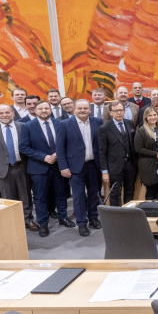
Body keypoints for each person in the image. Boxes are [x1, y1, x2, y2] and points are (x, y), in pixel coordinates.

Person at [0, 104, 37, 231]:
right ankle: (13, 223)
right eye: (1, 113)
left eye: (7, 112)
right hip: (2, 170)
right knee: (8, 198)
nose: (4, 115)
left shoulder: (23, 127)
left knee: (25, 196)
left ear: (13, 113)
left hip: (22, 167)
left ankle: (28, 220)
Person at [19, 100, 73, 237]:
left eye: (46, 108)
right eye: (41, 109)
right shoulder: (27, 126)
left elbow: (66, 142)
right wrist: (44, 157)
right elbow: (23, 147)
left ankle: (63, 217)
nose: (44, 111)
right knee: (40, 197)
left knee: (61, 194)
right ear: (35, 111)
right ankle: (43, 223)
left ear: (50, 110)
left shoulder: (59, 124)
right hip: (39, 167)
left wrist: (58, 154)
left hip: (59, 166)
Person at [56, 99, 103, 237]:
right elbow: (60, 148)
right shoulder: (64, 124)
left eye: (85, 108)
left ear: (90, 109)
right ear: (74, 110)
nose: (82, 110)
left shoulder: (97, 122)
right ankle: (82, 223)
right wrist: (63, 167)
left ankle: (93, 218)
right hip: (74, 167)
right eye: (80, 108)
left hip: (93, 165)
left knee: (94, 193)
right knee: (78, 196)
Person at [98, 101, 137, 206]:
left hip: (130, 165)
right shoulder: (104, 128)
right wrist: (105, 171)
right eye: (115, 111)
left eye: (121, 110)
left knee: (130, 192)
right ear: (111, 113)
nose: (118, 113)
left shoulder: (129, 123)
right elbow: (102, 151)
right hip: (114, 167)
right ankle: (116, 217)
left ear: (124, 111)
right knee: (115, 193)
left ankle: (128, 215)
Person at [135, 107, 158, 200]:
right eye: (150, 115)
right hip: (148, 164)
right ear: (146, 117)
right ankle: (149, 212)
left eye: (154, 115)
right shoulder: (141, 131)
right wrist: (156, 154)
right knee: (151, 191)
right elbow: (139, 149)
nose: (153, 117)